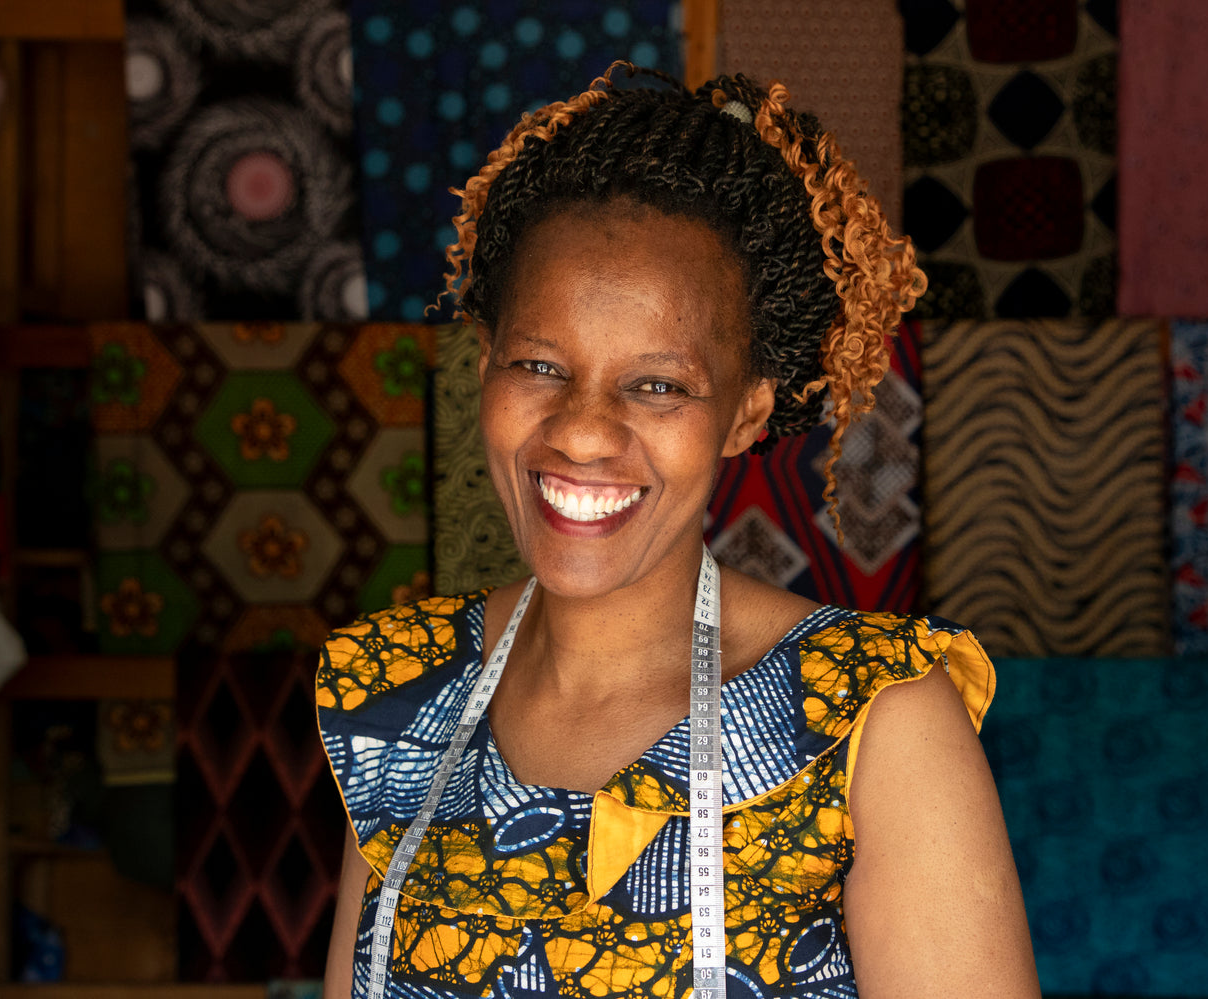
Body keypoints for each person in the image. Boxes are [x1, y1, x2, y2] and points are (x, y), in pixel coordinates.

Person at [318, 64, 1040, 998]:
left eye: (657, 385)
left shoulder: (872, 717)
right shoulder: (400, 690)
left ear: (745, 413)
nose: (580, 430)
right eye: (539, 364)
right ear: (485, 365)